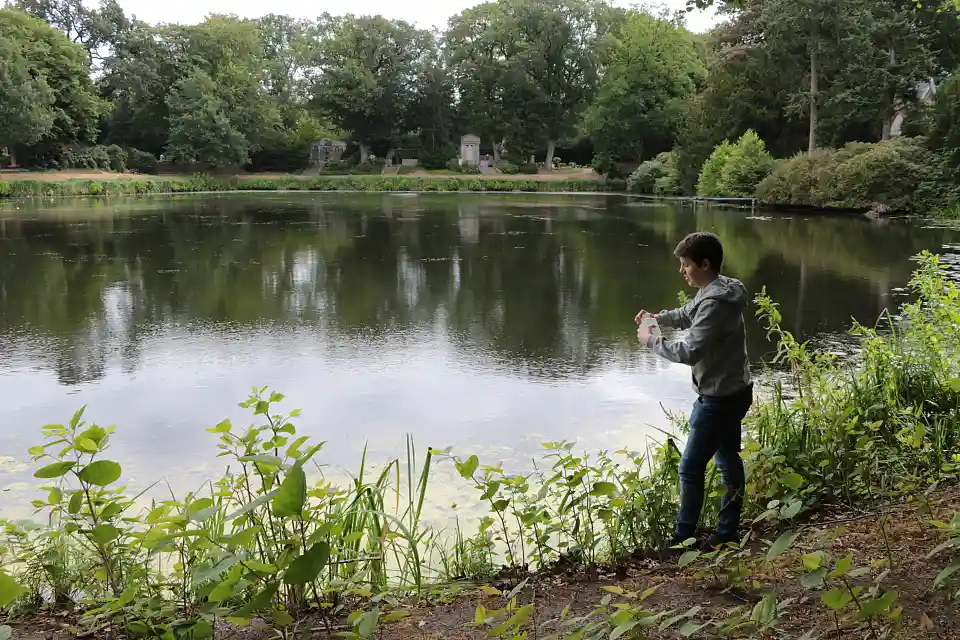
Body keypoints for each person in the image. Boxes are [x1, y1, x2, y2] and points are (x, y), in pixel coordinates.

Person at [635, 232, 753, 551]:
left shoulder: (714, 301)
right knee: (728, 458)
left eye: (686, 265)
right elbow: (687, 314)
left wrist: (652, 341)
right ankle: (727, 531)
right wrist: (657, 319)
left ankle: (682, 538)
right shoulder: (716, 290)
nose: (682, 270)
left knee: (690, 467)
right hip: (735, 390)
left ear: (704, 264)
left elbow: (690, 352)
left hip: (719, 399)